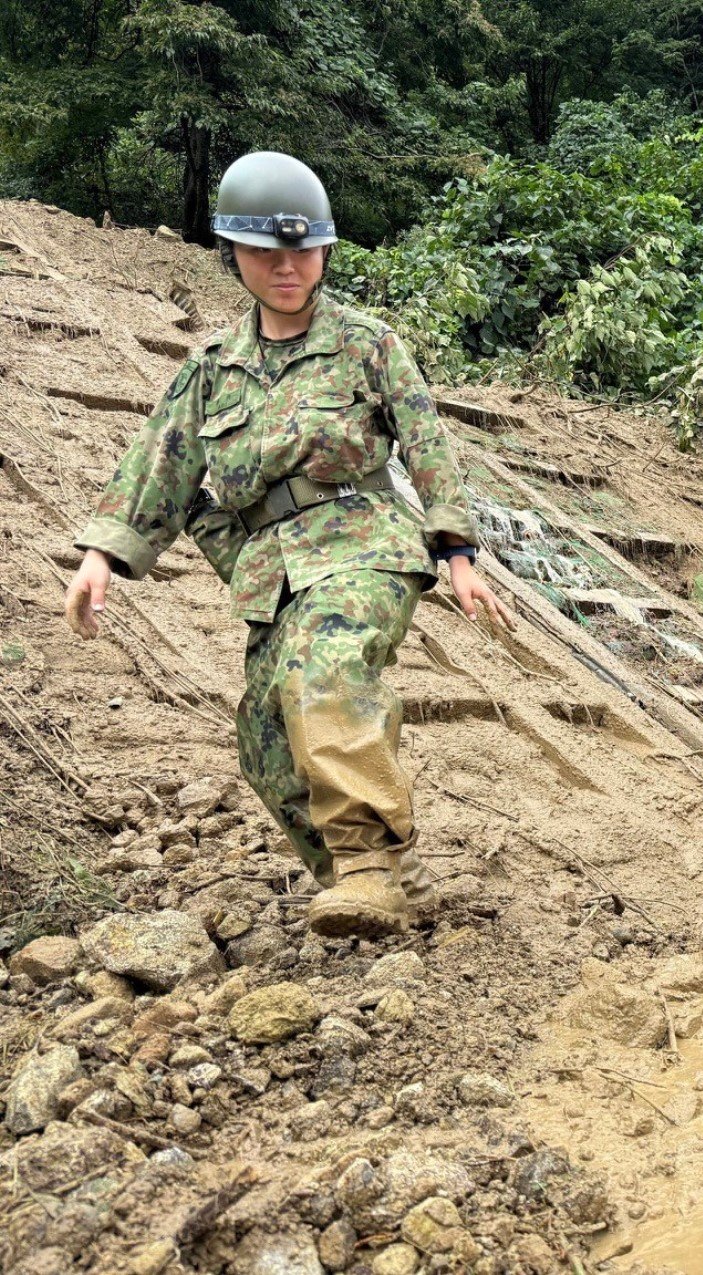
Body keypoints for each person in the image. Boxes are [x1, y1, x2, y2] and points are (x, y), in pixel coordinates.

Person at [63, 151, 514, 939]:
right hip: (271, 573)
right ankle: (365, 878)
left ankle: (368, 858)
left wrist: (459, 556)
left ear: (325, 251)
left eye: (303, 251)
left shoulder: (370, 345)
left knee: (324, 667)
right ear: (233, 254)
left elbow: (430, 449)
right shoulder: (209, 371)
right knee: (266, 741)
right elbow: (156, 466)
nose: (287, 267)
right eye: (267, 253)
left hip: (364, 545)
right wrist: (101, 557)